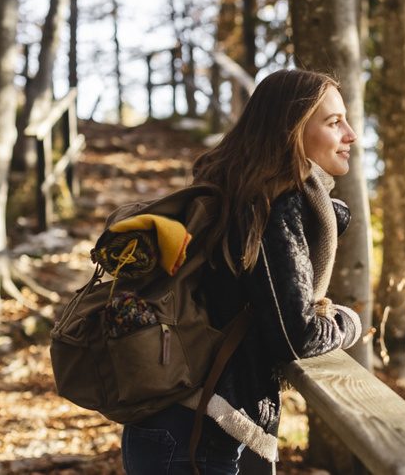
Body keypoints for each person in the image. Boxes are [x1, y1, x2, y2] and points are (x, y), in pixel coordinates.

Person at [120, 69, 363, 474]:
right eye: (334, 122)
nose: (351, 134)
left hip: (174, 427)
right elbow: (297, 335)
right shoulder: (270, 202)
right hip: (193, 434)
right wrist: (348, 321)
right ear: (292, 129)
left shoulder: (239, 189)